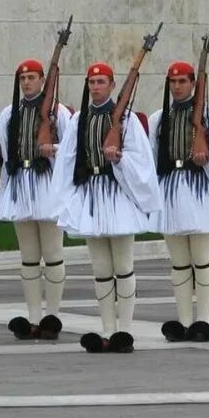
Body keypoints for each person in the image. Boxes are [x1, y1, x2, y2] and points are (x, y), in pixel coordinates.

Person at [52, 62, 162, 353]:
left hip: (118, 194)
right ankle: (107, 329)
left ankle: (124, 330)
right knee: (100, 267)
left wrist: (120, 159)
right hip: (92, 193)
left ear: (113, 85)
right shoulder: (79, 119)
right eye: (92, 82)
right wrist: (66, 197)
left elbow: (142, 158)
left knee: (123, 265)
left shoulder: (125, 118)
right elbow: (68, 159)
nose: (96, 87)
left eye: (101, 82)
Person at [148, 61, 209, 343]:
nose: (177, 86)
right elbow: (151, 157)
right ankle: (183, 321)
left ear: (193, 83)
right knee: (179, 262)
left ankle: (202, 321)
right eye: (173, 81)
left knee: (202, 259)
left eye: (182, 81)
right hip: (170, 189)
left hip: (199, 188)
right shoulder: (159, 118)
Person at [0, 59, 72, 341]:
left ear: (42, 80)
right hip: (21, 181)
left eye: (31, 77)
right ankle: (33, 317)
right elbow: (4, 153)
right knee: (28, 256)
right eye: (23, 78)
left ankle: (52, 315)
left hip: (47, 182)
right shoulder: (8, 114)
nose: (26, 82)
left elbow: (71, 148)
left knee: (52, 253)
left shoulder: (58, 112)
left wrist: (54, 149)